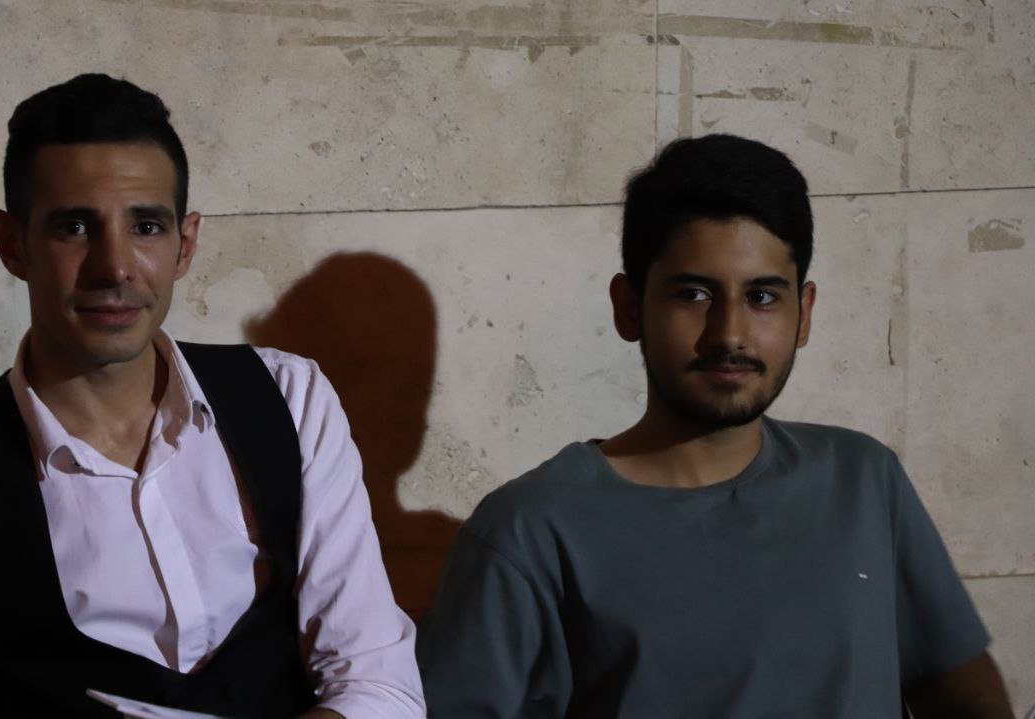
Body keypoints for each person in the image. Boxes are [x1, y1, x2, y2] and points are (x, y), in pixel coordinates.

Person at [0, 74, 425, 718]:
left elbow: (378, 681)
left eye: (147, 226)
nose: (115, 266)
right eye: (74, 226)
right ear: (12, 244)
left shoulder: (290, 399)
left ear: (186, 244)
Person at [415, 134, 1013, 718]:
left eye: (762, 297)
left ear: (804, 313)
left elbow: (957, 690)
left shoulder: (862, 480)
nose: (730, 334)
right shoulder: (530, 531)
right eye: (694, 294)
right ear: (628, 307)